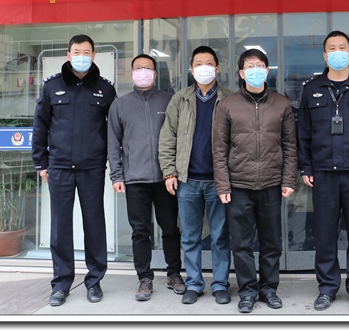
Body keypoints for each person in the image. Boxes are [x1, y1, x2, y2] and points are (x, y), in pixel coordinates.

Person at [296, 30, 349, 312]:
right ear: (325, 55)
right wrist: (306, 166)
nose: (337, 52)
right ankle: (327, 288)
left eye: (342, 47)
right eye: (331, 48)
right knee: (325, 234)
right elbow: (303, 132)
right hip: (323, 173)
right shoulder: (311, 89)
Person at [32, 34, 117, 307]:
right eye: (77, 52)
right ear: (68, 55)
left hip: (92, 167)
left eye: (86, 52)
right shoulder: (52, 86)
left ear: (94, 55)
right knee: (60, 229)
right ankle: (61, 284)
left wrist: (112, 164)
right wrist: (41, 163)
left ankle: (94, 281)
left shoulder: (105, 89)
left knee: (94, 225)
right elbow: (40, 125)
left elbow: (114, 130)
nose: (82, 56)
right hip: (59, 168)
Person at [212, 49, 297, 314]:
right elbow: (219, 149)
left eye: (260, 66)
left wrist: (288, 178)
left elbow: (290, 145)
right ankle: (247, 291)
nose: (255, 70)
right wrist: (223, 185)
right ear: (241, 73)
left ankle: (269, 289)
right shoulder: (227, 105)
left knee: (271, 242)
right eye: (250, 66)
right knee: (241, 244)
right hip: (239, 186)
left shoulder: (282, 104)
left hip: (271, 184)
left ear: (267, 71)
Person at [158, 46, 233, 306]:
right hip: (187, 181)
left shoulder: (229, 99)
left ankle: (220, 284)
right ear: (191, 69)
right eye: (198, 63)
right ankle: (194, 284)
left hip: (219, 182)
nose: (203, 68)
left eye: (208, 63)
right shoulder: (180, 99)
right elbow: (167, 138)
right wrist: (169, 171)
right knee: (190, 237)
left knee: (220, 236)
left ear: (217, 68)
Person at [107, 54, 185, 302]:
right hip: (135, 179)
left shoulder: (169, 99)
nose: (143, 72)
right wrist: (116, 175)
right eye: (139, 68)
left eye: (148, 68)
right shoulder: (120, 105)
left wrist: (175, 171)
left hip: (166, 178)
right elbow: (113, 143)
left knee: (170, 228)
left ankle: (174, 273)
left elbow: (179, 137)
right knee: (140, 231)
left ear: (155, 73)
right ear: (132, 74)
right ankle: (145, 278)